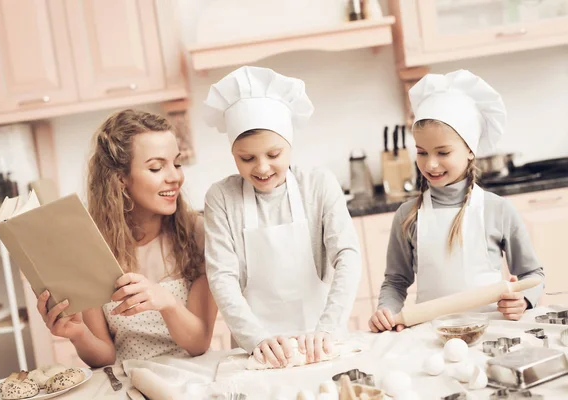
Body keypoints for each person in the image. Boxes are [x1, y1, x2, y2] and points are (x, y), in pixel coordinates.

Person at [203, 66, 361, 368]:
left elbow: (348, 256)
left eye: (274, 155)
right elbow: (222, 278)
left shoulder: (318, 185)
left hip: (322, 344)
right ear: (233, 153)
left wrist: (327, 327)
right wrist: (256, 340)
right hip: (259, 354)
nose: (262, 168)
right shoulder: (221, 198)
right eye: (247, 158)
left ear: (289, 145)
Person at [35, 109, 217, 366]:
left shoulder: (196, 233)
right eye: (156, 167)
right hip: (128, 383)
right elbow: (105, 357)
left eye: (176, 163)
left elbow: (199, 343)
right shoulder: (91, 245)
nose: (175, 177)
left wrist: (167, 303)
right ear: (121, 179)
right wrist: (78, 334)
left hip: (194, 378)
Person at [369, 70, 545, 333]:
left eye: (443, 152)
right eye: (421, 152)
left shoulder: (498, 209)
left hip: (492, 334)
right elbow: (395, 281)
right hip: (430, 334)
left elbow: (533, 276)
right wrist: (387, 311)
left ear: (470, 149)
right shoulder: (408, 215)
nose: (430, 163)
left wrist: (523, 301)